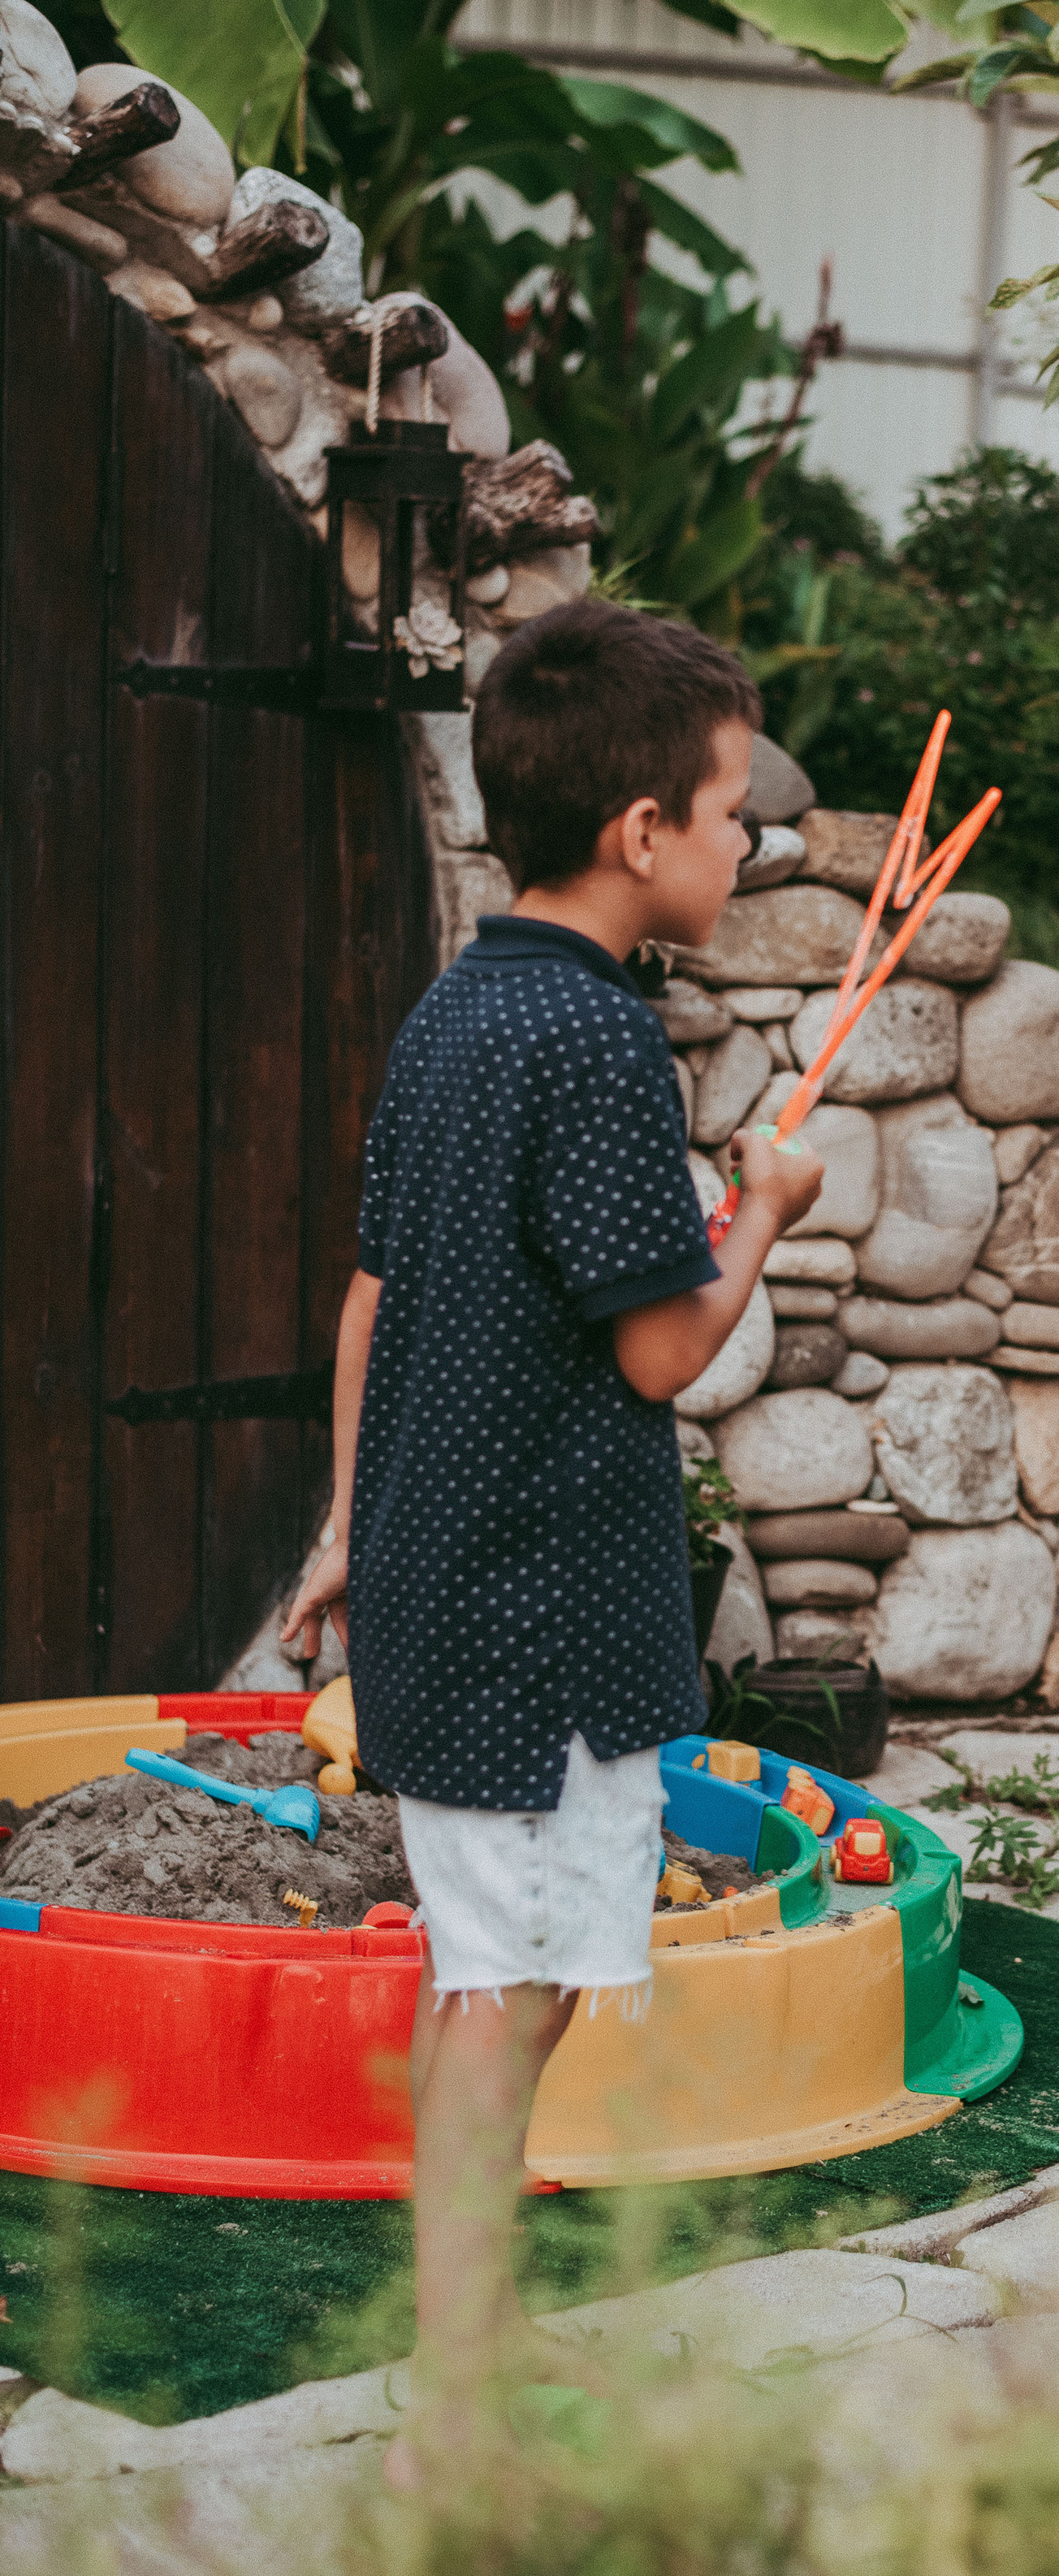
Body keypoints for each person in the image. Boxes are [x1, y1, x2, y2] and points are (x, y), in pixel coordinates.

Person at [279, 600, 823, 2481]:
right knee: (507, 1994)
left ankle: (467, 2340)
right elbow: (664, 1341)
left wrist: (349, 1525)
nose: (746, 839)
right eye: (730, 807)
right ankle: (464, 2374)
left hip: (440, 1572)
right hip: (537, 1613)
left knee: (476, 1975)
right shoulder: (594, 1045)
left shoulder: (456, 1007)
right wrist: (761, 1203)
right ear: (638, 835)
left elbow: (369, 1297)